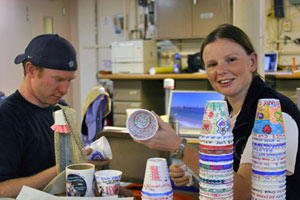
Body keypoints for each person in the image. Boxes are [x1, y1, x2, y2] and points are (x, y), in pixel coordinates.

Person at [135, 24, 300, 199]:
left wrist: (179, 146)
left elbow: (244, 192)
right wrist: (195, 177)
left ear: (252, 62)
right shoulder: (227, 113)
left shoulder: (276, 114)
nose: (221, 70)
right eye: (212, 64)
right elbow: (230, 173)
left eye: (231, 60)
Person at [0, 34, 112, 198]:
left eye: (70, 80)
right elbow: (2, 189)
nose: (65, 89)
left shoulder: (61, 109)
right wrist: (65, 168)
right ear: (30, 70)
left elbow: (74, 161)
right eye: (58, 79)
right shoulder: (7, 117)